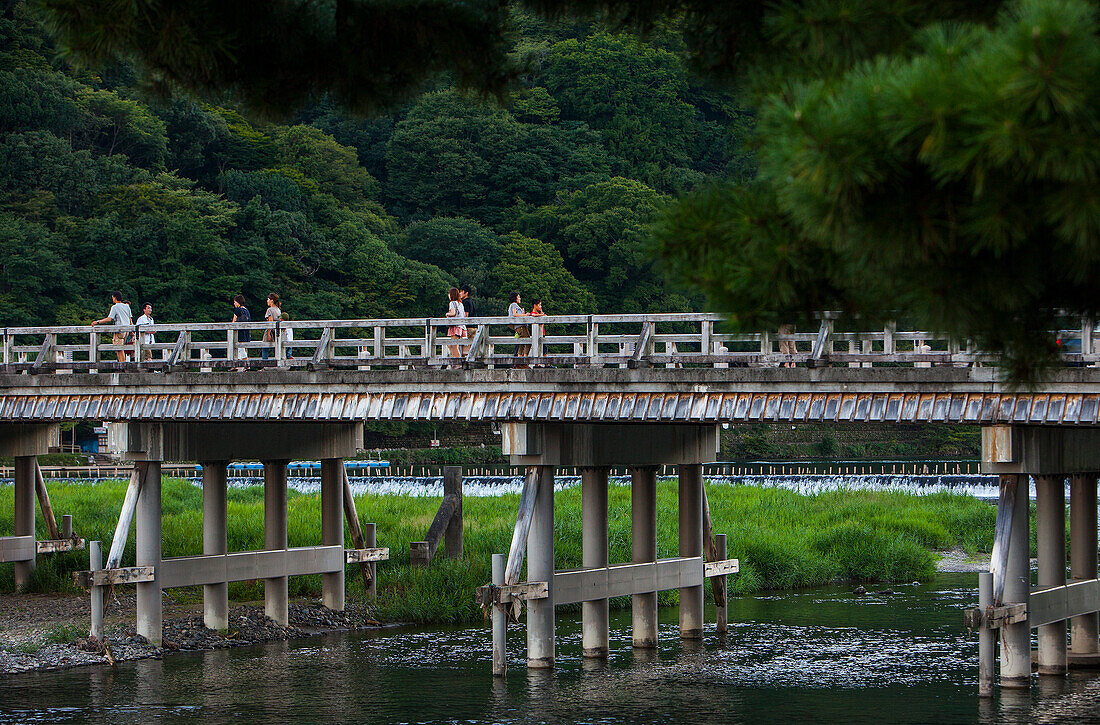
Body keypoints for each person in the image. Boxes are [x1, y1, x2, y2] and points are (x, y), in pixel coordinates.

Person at [91, 291, 132, 362]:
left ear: (115, 298)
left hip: (119, 329)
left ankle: (122, 365)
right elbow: (130, 318)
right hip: (127, 330)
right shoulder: (127, 306)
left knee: (118, 349)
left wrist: (97, 322)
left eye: (113, 297)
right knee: (121, 348)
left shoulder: (115, 307)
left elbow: (109, 319)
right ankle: (122, 364)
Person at [445, 287, 467, 363]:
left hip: (455, 326)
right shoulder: (460, 303)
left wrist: (447, 314)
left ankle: (458, 363)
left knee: (453, 346)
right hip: (461, 326)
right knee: (454, 346)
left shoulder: (452, 303)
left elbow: (453, 313)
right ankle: (457, 362)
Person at [508, 292, 530, 367]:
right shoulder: (514, 304)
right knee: (527, 342)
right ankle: (524, 361)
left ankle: (519, 361)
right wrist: (525, 315)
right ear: (515, 298)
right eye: (518, 297)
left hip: (518, 327)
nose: (520, 298)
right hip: (521, 326)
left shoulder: (513, 305)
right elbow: (514, 314)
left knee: (521, 343)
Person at [231, 294, 251, 368]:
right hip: (247, 333)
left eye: (235, 302)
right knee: (243, 349)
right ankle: (237, 366)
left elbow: (234, 321)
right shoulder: (246, 311)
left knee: (240, 349)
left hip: (240, 333)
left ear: (238, 302)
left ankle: (245, 365)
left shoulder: (238, 310)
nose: (234, 304)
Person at [262, 293, 281, 360]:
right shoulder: (278, 309)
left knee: (265, 347)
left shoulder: (269, 310)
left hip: (271, 330)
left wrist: (268, 333)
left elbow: (270, 322)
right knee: (275, 348)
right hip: (277, 331)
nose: (267, 301)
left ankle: (264, 364)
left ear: (271, 300)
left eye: (268, 299)